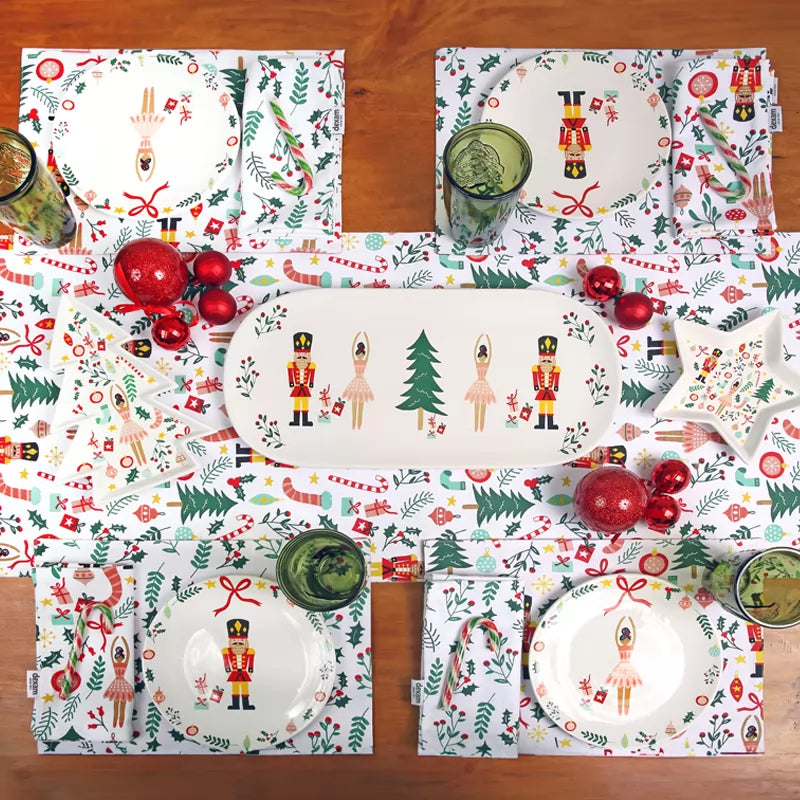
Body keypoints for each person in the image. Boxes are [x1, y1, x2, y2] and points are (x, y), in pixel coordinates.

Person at [605, 617, 642, 716]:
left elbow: (634, 637)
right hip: (621, 667)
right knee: (620, 687)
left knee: (628, 687)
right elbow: (616, 637)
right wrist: (620, 623)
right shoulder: (620, 646)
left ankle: (626, 709)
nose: (625, 641)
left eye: (626, 639)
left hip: (628, 667)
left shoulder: (630, 646)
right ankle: (620, 709)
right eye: (624, 640)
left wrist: (632, 624)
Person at [130, 87, 165, 182]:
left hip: (144, 130)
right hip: (148, 130)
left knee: (145, 115)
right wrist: (147, 176)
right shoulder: (148, 150)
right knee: (149, 115)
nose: (145, 157)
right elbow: (154, 163)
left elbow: (137, 163)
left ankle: (148, 94)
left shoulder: (142, 150)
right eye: (147, 158)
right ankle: (150, 94)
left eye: (143, 159)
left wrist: (142, 176)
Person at [221, 618, 256, 710]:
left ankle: (246, 705)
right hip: (234, 673)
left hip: (244, 673)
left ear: (245, 641)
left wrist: (250, 671)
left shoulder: (249, 651)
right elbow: (226, 661)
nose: (238, 642)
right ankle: (235, 705)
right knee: (235, 689)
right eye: (234, 640)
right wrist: (228, 670)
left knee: (245, 689)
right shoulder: (228, 651)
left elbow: (251, 661)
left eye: (241, 640)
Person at [342, 332, 374, 430]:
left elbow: (369, 352)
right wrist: (356, 337)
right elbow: (352, 351)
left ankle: (359, 425)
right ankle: (353, 424)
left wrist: (366, 339)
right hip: (356, 382)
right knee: (354, 403)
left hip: (361, 382)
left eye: (361, 354)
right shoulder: (355, 361)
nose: (360, 356)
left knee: (361, 404)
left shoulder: (364, 361)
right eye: (359, 354)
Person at [464, 335, 496, 432]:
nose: (482, 358)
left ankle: (481, 427)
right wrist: (478, 339)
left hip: (484, 384)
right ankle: (476, 426)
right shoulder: (477, 363)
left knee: (483, 406)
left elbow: (491, 355)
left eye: (483, 357)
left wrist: (489, 341)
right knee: (476, 405)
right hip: (478, 384)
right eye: (481, 357)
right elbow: (474, 353)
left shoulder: (486, 364)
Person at [110, 385, 147, 466]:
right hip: (126, 427)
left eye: (122, 403)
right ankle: (139, 461)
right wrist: (111, 392)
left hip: (132, 425)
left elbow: (126, 398)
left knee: (138, 442)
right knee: (132, 444)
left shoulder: (127, 407)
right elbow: (112, 403)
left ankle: (144, 458)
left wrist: (120, 389)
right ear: (118, 405)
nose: (121, 404)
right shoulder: (119, 410)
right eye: (119, 404)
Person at [103, 636, 134, 728]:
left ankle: (121, 722)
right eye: (118, 658)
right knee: (116, 703)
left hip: (122, 683)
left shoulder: (125, 663)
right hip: (116, 683)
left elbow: (128, 654)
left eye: (120, 657)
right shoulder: (115, 663)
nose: (119, 659)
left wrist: (125, 642)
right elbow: (111, 653)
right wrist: (114, 642)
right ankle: (114, 721)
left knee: (123, 703)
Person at [532, 335, 560, 430]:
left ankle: (550, 424)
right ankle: (541, 424)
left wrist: (556, 389)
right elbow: (535, 378)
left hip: (550, 391)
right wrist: (536, 387)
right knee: (542, 407)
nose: (546, 361)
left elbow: (556, 379)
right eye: (544, 359)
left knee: (550, 407)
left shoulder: (555, 369)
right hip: (542, 391)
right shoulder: (537, 369)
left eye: (549, 359)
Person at [287, 332, 315, 427]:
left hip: (305, 388)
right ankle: (296, 421)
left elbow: (312, 375)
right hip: (297, 387)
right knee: (297, 404)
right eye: (299, 355)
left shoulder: (310, 366)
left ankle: (305, 421)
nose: (302, 358)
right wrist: (291, 384)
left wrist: (311, 384)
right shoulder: (292, 365)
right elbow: (290, 374)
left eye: (304, 355)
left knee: (305, 404)